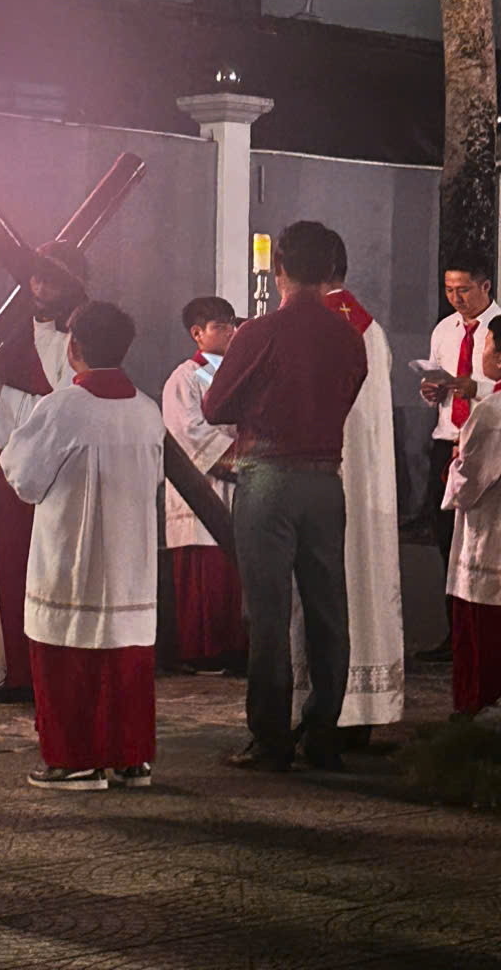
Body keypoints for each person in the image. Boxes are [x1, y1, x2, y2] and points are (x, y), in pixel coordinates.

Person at [203, 221, 367, 772]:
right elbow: (346, 395)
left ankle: (271, 738)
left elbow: (215, 407)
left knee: (268, 612)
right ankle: (323, 733)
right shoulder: (348, 335)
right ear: (330, 272)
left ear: (279, 271)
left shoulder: (260, 331)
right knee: (328, 608)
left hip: (268, 475)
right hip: (325, 479)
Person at [0, 301, 165, 790]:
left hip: (73, 556)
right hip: (130, 559)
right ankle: (130, 759)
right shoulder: (147, 409)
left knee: (66, 655)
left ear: (72, 346)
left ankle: (74, 761)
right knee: (126, 657)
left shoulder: (64, 407)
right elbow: (156, 477)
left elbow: (24, 477)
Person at [0, 241, 88, 704]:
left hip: (59, 467)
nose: (39, 286)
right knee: (12, 561)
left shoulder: (77, 339)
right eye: (35, 276)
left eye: (51, 279)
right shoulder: (8, 327)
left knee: (52, 565)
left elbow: (69, 408)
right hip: (10, 458)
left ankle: (53, 672)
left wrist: (2, 392)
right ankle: (20, 671)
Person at [290, 232, 404, 736]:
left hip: (319, 477)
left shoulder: (309, 327)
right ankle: (363, 710)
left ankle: (317, 710)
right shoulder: (369, 328)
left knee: (320, 589)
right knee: (364, 577)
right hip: (369, 481)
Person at [419, 252, 501, 661]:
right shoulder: (444, 330)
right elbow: (438, 380)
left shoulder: (497, 330)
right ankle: (454, 634)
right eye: (449, 289)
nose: (456, 298)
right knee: (445, 541)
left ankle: (483, 636)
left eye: (464, 289)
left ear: (486, 286)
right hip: (446, 439)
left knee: (483, 545)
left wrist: (477, 389)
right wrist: (431, 390)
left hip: (487, 443)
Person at [162, 296, 246, 672]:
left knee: (234, 576)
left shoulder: (242, 372)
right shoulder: (184, 378)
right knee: (205, 575)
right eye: (220, 326)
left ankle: (235, 648)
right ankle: (203, 652)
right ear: (197, 334)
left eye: (232, 325)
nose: (230, 332)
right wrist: (239, 459)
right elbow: (188, 433)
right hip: (203, 489)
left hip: (241, 485)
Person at [442, 314, 501, 714]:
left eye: (489, 344)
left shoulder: (491, 412)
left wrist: (454, 465)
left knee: (483, 628)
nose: (483, 351)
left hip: (490, 533)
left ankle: (477, 708)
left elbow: (470, 480)